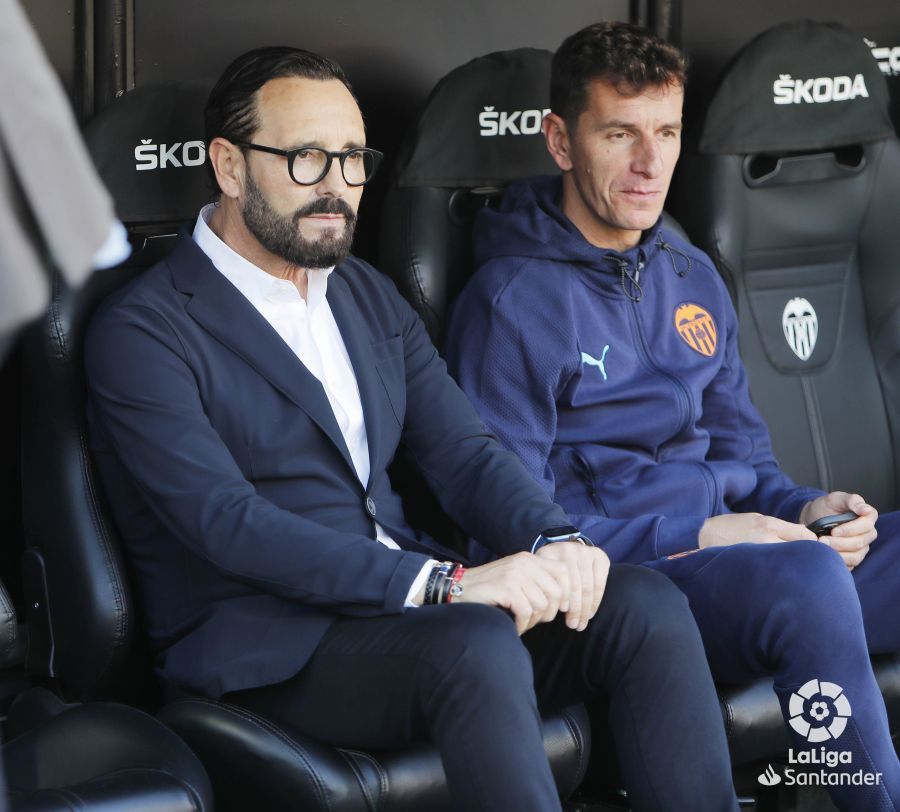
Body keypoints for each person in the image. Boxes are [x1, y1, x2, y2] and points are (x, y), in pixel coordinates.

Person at [84, 46, 740, 811]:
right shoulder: (143, 329)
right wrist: (443, 585)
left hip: (408, 618)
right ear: (229, 167)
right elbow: (227, 524)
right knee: (473, 641)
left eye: (353, 160)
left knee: (644, 606)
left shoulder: (364, 293)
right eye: (305, 159)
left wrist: (553, 540)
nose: (336, 187)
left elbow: (462, 452)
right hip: (271, 647)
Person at [445, 20, 900, 812]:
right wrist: (696, 535)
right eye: (620, 134)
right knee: (807, 575)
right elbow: (508, 532)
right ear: (560, 141)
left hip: (752, 565)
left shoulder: (691, 274)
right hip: (637, 590)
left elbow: (750, 466)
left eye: (666, 132)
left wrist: (808, 508)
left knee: (831, 553)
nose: (651, 164)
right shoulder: (510, 302)